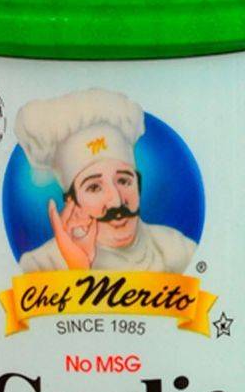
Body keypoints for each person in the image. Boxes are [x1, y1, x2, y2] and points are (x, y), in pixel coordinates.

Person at [14, 88, 197, 274]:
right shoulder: (40, 265)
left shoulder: (178, 249)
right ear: (72, 202)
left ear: (138, 185)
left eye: (124, 181)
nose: (116, 201)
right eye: (94, 187)